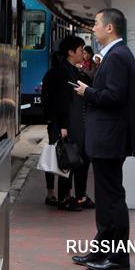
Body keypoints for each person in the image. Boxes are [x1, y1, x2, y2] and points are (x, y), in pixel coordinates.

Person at [72, 9, 135, 270]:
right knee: (105, 198)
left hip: (109, 139)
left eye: (96, 23)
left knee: (111, 199)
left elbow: (113, 96)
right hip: (107, 139)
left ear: (110, 28)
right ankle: (101, 251)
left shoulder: (118, 57)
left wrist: (86, 91)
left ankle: (117, 258)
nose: (93, 28)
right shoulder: (116, 55)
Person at [42, 35, 94, 211]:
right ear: (71, 52)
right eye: (81, 50)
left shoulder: (73, 71)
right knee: (68, 159)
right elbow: (61, 102)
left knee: (78, 159)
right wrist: (62, 126)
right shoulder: (63, 72)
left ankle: (77, 196)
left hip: (76, 123)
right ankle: (65, 198)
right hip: (68, 124)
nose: (83, 54)